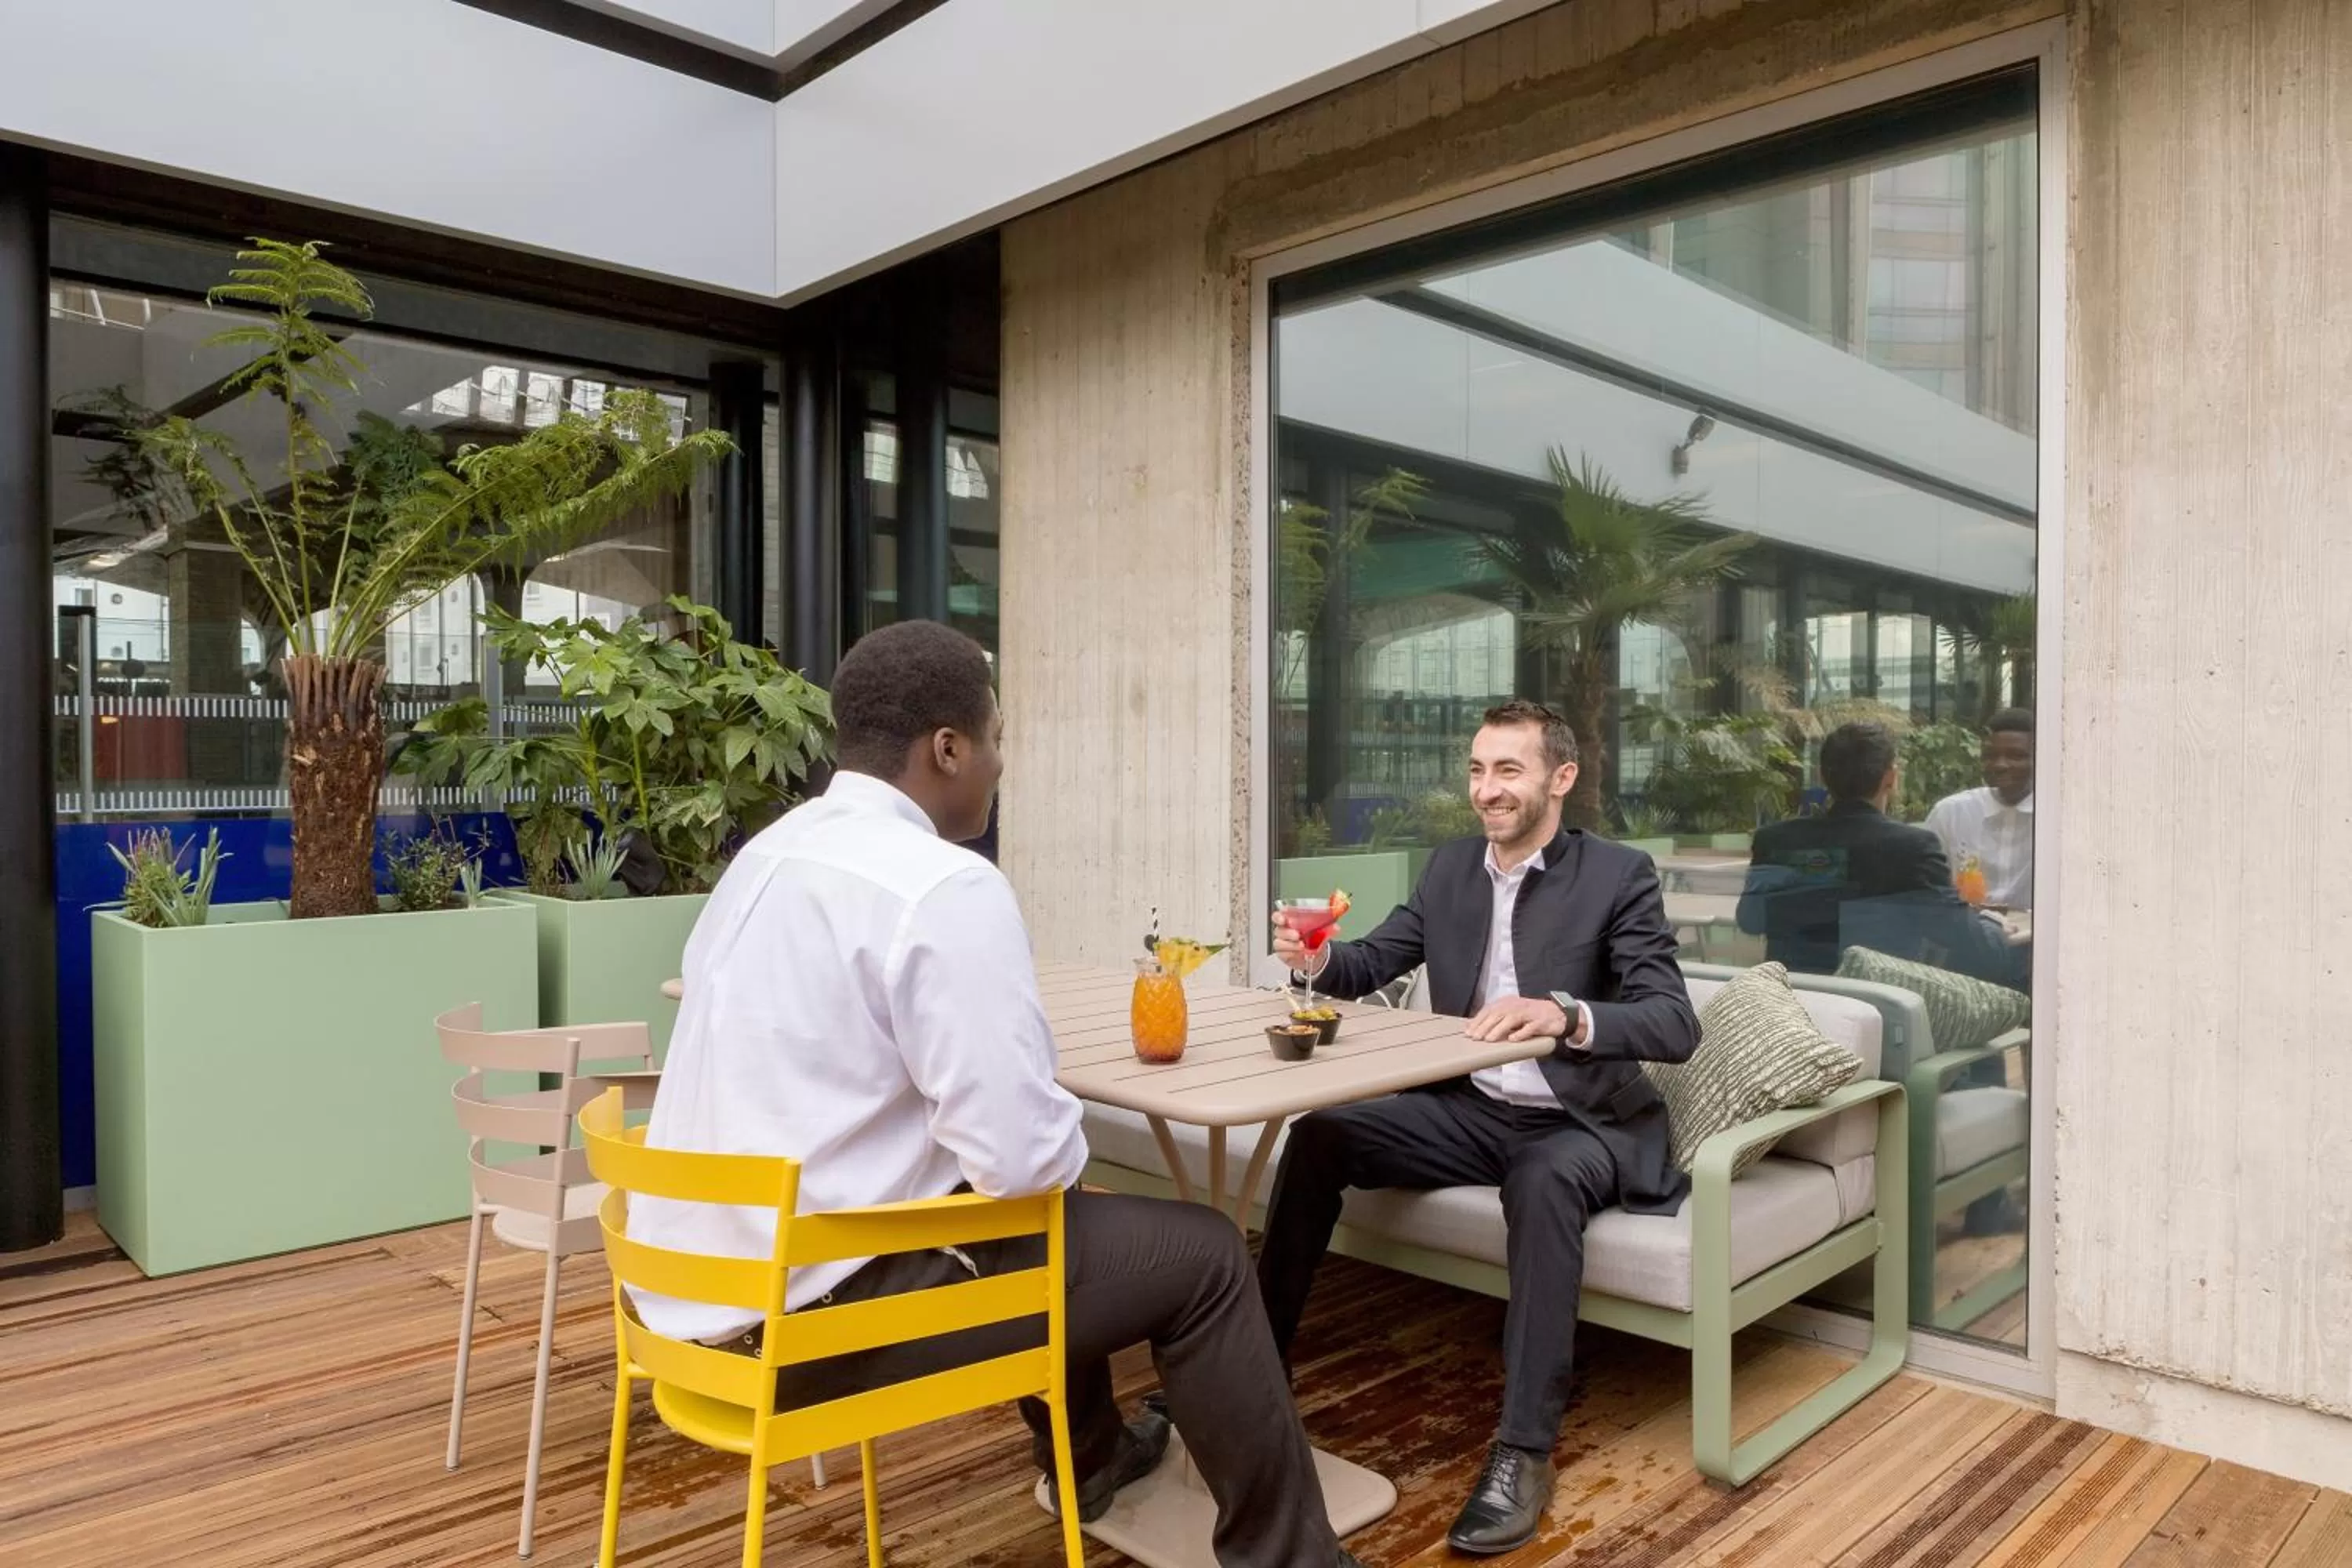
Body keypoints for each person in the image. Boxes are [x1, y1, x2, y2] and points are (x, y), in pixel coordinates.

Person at [628, 619, 1358, 1568]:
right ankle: (1291, 1560)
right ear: (947, 747)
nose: (1000, 764)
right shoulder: (940, 885)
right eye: (997, 737)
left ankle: (1093, 1457)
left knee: (1049, 1219)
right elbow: (1022, 1157)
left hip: (685, 1302)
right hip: (808, 1327)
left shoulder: (764, 858)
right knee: (1204, 1252)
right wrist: (1050, 1144)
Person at [1258, 698, 1699, 1556]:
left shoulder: (1617, 874)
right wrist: (1312, 955)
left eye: (1507, 769)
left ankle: (1523, 1450)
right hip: (1471, 1108)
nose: (1486, 789)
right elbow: (1373, 960)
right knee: (1321, 1132)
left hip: (1581, 1122)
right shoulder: (1452, 868)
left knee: (1540, 1180)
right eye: (1475, 769)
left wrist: (1565, 1012)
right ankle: (1255, 1357)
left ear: (1559, 778)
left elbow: (1673, 1021)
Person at [1737, 721, 2020, 988]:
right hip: (1884, 1011)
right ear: (1891, 777)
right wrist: (1995, 927)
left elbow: (1750, 920)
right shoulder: (1912, 847)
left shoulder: (1775, 840)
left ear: (1822, 776)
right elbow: (1962, 938)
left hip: (1795, 1003)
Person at [1925, 708, 2034, 912]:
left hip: (2038, 940)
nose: (2000, 765)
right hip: (1967, 936)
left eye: (2016, 756)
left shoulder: (2060, 818)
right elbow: (1927, 888)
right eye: (1991, 756)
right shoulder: (1951, 813)